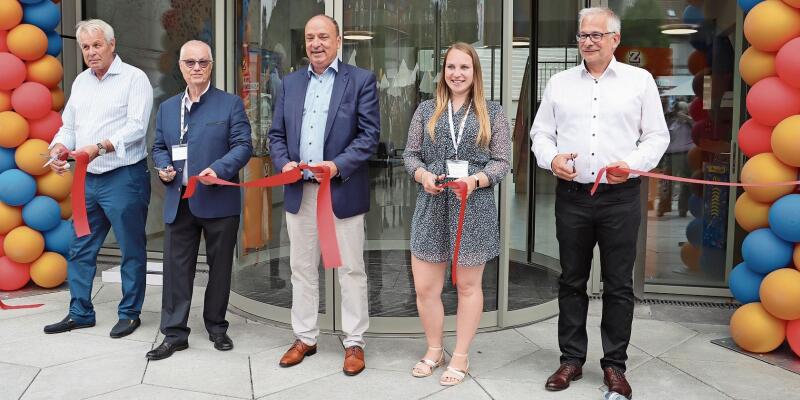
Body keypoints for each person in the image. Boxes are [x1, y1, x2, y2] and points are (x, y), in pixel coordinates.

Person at [530, 7, 669, 399]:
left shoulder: (639, 81)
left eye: (596, 35)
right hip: (573, 196)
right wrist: (552, 159)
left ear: (614, 40)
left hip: (620, 197)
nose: (587, 41)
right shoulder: (559, 83)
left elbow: (657, 137)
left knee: (619, 284)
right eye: (582, 35)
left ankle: (614, 366)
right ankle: (571, 360)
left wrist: (635, 165)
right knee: (571, 279)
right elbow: (541, 134)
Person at [267, 15, 380, 376]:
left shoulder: (360, 81)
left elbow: (368, 136)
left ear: (338, 40)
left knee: (350, 269)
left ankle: (354, 342)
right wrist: (284, 162)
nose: (316, 43)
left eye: (323, 37)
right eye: (311, 37)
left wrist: (336, 166)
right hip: (300, 192)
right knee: (301, 268)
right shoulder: (289, 83)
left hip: (341, 190)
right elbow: (276, 135)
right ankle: (305, 337)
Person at [404, 42, 511, 386]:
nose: (457, 74)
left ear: (475, 72)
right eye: (451, 67)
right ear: (443, 72)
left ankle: (461, 356)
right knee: (425, 287)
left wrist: (476, 180)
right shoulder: (425, 110)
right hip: (432, 203)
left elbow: (502, 162)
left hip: (473, 206)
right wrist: (423, 176)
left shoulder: (492, 113)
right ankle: (434, 349)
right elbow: (410, 155)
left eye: (464, 67)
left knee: (467, 286)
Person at [43, 19, 153, 339]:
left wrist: (100, 146)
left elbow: (136, 128)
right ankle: (80, 312)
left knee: (131, 248)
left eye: (97, 45)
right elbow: (69, 127)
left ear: (112, 44)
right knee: (80, 247)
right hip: (87, 180)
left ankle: (130, 313)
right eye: (86, 47)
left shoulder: (135, 79)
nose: (91, 52)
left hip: (125, 176)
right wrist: (60, 147)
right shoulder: (80, 82)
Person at [147, 40, 253, 360]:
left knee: (219, 269)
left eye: (202, 63)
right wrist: (164, 166)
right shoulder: (167, 108)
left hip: (219, 200)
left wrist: (218, 169)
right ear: (180, 66)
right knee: (176, 270)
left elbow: (243, 146)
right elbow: (159, 146)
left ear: (211, 66)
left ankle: (217, 327)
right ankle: (175, 333)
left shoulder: (230, 104)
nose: (196, 68)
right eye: (190, 63)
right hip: (179, 201)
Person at [657, 101, 693, 217]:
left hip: (686, 154)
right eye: (680, 109)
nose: (681, 111)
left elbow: (697, 129)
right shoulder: (671, 121)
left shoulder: (689, 121)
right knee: (666, 183)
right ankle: (662, 208)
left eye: (684, 109)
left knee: (685, 183)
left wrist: (687, 119)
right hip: (670, 155)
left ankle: (683, 208)